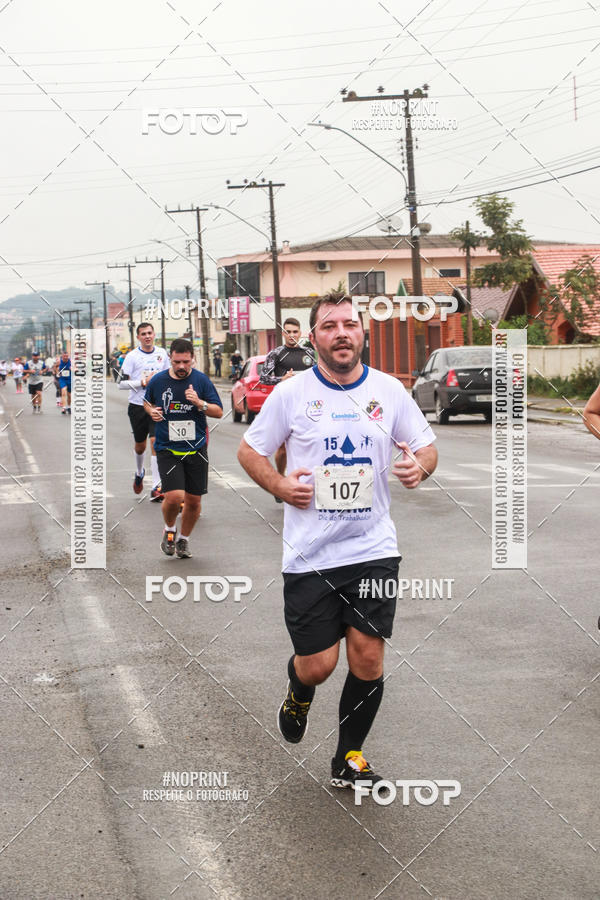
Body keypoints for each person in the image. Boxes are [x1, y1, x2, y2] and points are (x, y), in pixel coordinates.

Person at [238, 293, 438, 792]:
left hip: (373, 550)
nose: (342, 332)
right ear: (314, 338)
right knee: (319, 665)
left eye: (350, 324)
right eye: (330, 326)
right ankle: (299, 689)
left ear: (362, 333)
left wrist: (419, 467)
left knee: (368, 657)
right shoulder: (292, 394)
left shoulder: (389, 391)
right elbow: (250, 451)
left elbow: (426, 446)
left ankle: (349, 757)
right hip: (310, 555)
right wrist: (280, 486)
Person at [144, 338, 223, 558]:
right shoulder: (158, 380)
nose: (181, 366)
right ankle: (169, 529)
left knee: (194, 501)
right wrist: (151, 412)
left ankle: (184, 540)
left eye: (186, 362)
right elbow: (147, 402)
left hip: (196, 448)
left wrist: (199, 403)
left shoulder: (201, 381)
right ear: (170, 358)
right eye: (177, 361)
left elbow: (218, 411)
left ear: (192, 359)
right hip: (167, 448)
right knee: (174, 496)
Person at [259, 317, 316, 502]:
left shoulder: (309, 352)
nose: (292, 335)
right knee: (283, 449)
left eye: (295, 332)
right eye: (288, 332)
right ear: (283, 333)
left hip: (308, 406)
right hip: (285, 405)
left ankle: (309, 481)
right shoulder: (276, 354)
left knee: (309, 444)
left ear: (300, 333)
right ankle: (281, 476)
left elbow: (320, 374)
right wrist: (281, 379)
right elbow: (263, 378)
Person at [118, 323, 170, 501]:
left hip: (156, 405)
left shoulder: (162, 354)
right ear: (138, 337)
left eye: (149, 333)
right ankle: (139, 472)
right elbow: (121, 383)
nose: (147, 336)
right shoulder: (132, 357)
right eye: (143, 334)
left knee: (156, 442)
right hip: (137, 406)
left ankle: (156, 486)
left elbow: (169, 376)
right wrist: (142, 382)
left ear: (154, 334)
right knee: (140, 445)